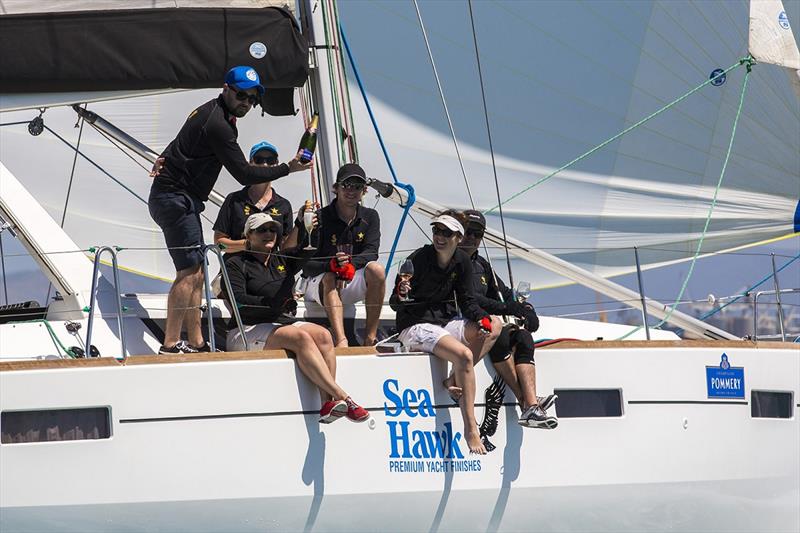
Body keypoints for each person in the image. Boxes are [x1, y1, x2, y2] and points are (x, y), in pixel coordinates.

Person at [148, 66, 310, 354]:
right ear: (226, 88)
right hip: (174, 199)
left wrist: (164, 156)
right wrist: (289, 167)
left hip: (181, 200)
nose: (245, 101)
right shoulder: (218, 124)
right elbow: (244, 173)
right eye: (240, 95)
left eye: (252, 98)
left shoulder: (212, 113)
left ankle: (197, 342)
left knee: (197, 270)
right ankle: (170, 343)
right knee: (188, 271)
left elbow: (183, 137)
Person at [223, 213, 369, 424]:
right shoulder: (235, 263)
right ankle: (343, 396)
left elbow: (307, 250)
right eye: (262, 230)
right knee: (300, 337)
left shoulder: (282, 259)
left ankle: (326, 403)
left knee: (324, 335)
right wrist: (273, 304)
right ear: (249, 235)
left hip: (278, 324)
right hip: (244, 329)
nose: (269, 234)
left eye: (273, 230)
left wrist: (308, 223)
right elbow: (238, 302)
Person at [390, 212, 503, 455]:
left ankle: (455, 379)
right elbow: (394, 303)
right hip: (414, 325)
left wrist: (480, 318)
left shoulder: (462, 261)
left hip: (443, 323)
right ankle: (471, 428)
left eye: (446, 233)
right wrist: (401, 293)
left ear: (458, 237)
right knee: (463, 355)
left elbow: (467, 301)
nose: (439, 237)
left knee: (494, 326)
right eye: (436, 231)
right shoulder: (418, 259)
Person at [459, 209, 558, 429]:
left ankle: (531, 404)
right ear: (458, 233)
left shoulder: (482, 265)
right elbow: (470, 298)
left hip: (486, 324)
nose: (473, 238)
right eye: (469, 232)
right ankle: (527, 403)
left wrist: (526, 309)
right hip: (462, 323)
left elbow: (503, 293)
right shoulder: (452, 261)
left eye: (478, 234)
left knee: (523, 337)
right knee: (501, 337)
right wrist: (508, 307)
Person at [302, 163, 385, 347]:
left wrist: (350, 265)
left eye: (357, 186)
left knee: (377, 271)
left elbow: (372, 252)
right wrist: (332, 266)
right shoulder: (320, 217)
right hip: (318, 284)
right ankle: (341, 341)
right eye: (346, 185)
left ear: (364, 191)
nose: (351, 190)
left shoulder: (370, 216)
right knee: (330, 277)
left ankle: (370, 338)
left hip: (348, 279)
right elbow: (306, 264)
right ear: (335, 188)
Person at [213, 141, 311, 252]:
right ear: (250, 163)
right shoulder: (234, 200)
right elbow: (218, 245)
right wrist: (248, 244)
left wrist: (299, 223)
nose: (265, 165)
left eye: (270, 160)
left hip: (268, 268)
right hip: (236, 267)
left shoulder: (283, 205)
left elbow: (285, 250)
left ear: (276, 164)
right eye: (259, 160)